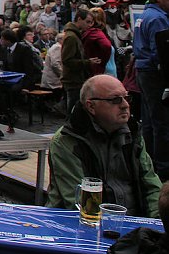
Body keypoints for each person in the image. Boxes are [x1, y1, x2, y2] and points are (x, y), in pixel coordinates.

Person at [47, 75, 162, 218]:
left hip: (134, 226)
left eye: (127, 98)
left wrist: (158, 221)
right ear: (91, 106)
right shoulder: (68, 140)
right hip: (85, 226)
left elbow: (151, 185)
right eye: (115, 100)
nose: (125, 105)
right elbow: (77, 202)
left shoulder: (132, 133)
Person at [133, 0, 169, 182]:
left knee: (148, 120)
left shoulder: (145, 15)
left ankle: (148, 161)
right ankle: (162, 166)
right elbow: (162, 51)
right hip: (154, 74)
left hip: (143, 70)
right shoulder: (158, 19)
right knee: (161, 121)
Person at [61, 9, 100, 112]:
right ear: (79, 19)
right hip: (73, 80)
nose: (90, 25)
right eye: (87, 22)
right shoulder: (71, 37)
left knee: (75, 108)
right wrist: (88, 62)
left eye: (91, 22)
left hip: (76, 79)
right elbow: (67, 60)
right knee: (73, 109)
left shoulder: (75, 35)